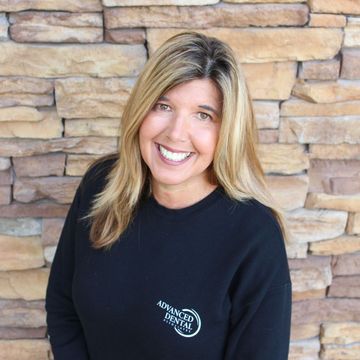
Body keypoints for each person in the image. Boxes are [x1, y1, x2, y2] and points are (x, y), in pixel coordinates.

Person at [45, 31, 293, 359]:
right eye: (164, 106)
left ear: (226, 131)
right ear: (141, 110)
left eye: (203, 115)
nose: (176, 133)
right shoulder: (101, 185)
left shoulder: (254, 237)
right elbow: (63, 307)